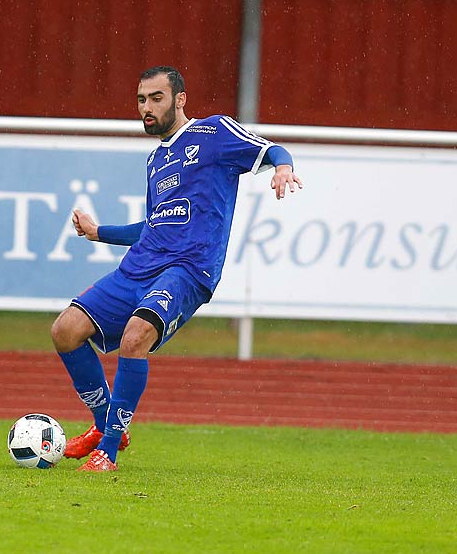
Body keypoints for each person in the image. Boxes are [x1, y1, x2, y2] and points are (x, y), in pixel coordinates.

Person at [52, 65, 302, 473]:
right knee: (65, 330)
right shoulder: (155, 161)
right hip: (139, 267)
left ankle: (108, 453)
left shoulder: (214, 133)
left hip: (187, 270)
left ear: (180, 99)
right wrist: (100, 232)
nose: (146, 109)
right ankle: (105, 427)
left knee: (135, 338)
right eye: (140, 100)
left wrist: (283, 168)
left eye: (156, 98)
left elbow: (272, 150)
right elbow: (153, 226)